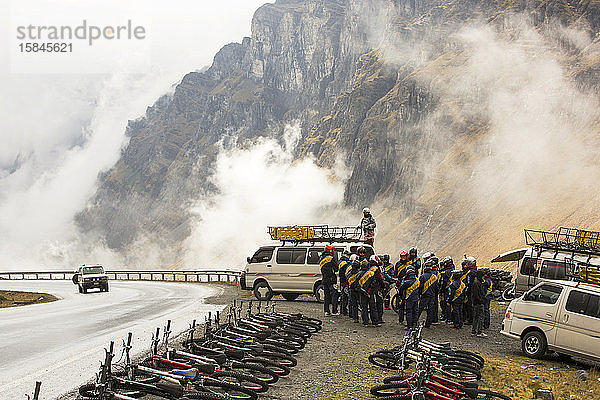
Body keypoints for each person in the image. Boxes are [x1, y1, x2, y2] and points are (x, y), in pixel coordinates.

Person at [418, 258, 438, 328]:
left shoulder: (422, 276)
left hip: (424, 295)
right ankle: (428, 324)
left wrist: (419, 294)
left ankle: (415, 322)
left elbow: (420, 287)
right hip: (432, 296)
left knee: (419, 309)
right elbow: (437, 287)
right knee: (430, 311)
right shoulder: (434, 277)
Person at [358, 259, 379, 326]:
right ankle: (375, 322)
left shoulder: (359, 274)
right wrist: (370, 292)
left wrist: (363, 291)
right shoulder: (371, 273)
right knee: (373, 307)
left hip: (362, 293)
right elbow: (374, 284)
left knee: (364, 308)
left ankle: (365, 322)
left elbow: (357, 285)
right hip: (370, 293)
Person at [320, 245, 339, 316]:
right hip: (332, 280)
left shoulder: (322, 258)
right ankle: (334, 311)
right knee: (334, 295)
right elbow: (336, 268)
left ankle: (326, 311)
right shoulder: (331, 258)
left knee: (326, 296)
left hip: (324, 279)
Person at [461, 256, 477, 325]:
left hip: (470, 291)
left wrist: (466, 291)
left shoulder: (470, 272)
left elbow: (468, 283)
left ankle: (470, 319)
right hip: (474, 290)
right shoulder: (475, 270)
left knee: (469, 305)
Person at [471, 269, 487, 337]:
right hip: (478, 303)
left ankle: (474, 331)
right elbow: (476, 294)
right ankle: (479, 332)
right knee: (480, 317)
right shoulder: (477, 283)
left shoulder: (476, 282)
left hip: (476, 302)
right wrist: (481, 301)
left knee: (476, 317)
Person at [395, 251, 410, 323]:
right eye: (402, 256)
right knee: (400, 298)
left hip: (408, 282)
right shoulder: (398, 263)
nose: (403, 258)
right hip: (400, 281)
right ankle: (400, 319)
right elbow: (395, 272)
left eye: (404, 256)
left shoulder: (409, 263)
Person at [439, 256, 455, 323]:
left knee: (446, 304)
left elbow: (443, 283)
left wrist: (441, 290)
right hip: (453, 289)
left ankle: (448, 318)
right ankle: (451, 317)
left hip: (446, 290)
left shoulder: (445, 273)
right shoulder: (453, 271)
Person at [346, 255, 361, 323]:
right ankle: (364, 318)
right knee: (362, 305)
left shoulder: (349, 274)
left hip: (351, 290)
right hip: (359, 290)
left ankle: (355, 318)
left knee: (354, 304)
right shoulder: (360, 273)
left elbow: (347, 282)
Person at [338, 251, 351, 316]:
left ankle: (342, 310)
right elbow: (342, 273)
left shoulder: (340, 261)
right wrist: (344, 282)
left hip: (342, 281)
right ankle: (344, 311)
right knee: (344, 297)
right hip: (344, 282)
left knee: (343, 296)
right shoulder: (345, 264)